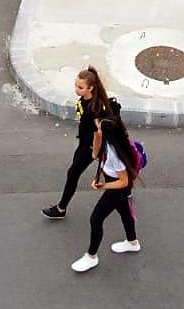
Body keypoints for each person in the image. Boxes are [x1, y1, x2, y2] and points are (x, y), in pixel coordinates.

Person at [42, 66, 118, 220]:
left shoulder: (94, 108)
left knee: (73, 173)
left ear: (91, 88)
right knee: (110, 168)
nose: (77, 89)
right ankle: (125, 187)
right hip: (84, 142)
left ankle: (61, 208)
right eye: (76, 85)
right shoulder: (87, 100)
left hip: (90, 146)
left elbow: (99, 133)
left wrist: (94, 152)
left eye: (80, 87)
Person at [70, 114, 141, 273]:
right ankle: (132, 242)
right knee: (124, 212)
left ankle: (91, 256)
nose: (97, 127)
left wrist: (103, 186)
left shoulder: (116, 155)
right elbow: (95, 155)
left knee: (96, 219)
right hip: (116, 186)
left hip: (117, 187)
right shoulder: (109, 142)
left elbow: (123, 181)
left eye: (99, 126)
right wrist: (97, 135)